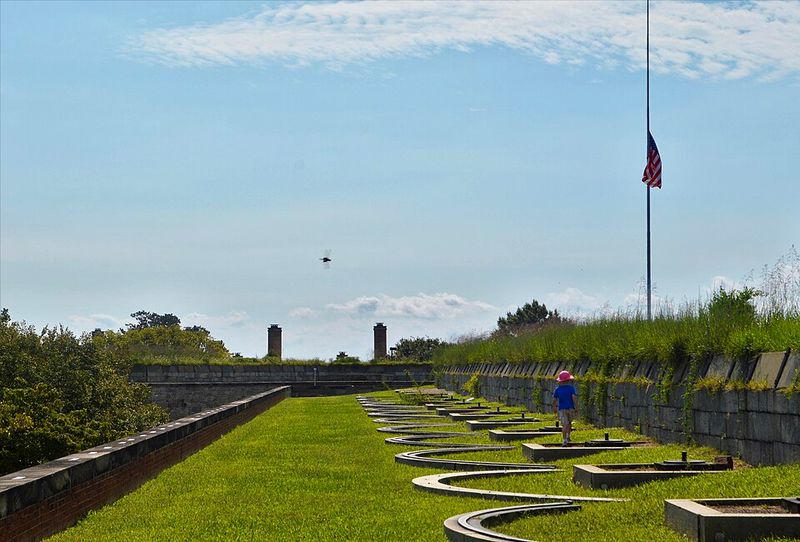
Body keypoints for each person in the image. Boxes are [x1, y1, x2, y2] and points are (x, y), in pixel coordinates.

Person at [552, 370, 578, 446]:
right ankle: (568, 436)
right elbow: (574, 398)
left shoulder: (557, 389)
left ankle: (564, 440)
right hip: (570, 408)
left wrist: (554, 408)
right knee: (569, 423)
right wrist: (576, 407)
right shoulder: (571, 388)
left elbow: (554, 400)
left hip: (562, 409)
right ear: (568, 380)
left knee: (565, 425)